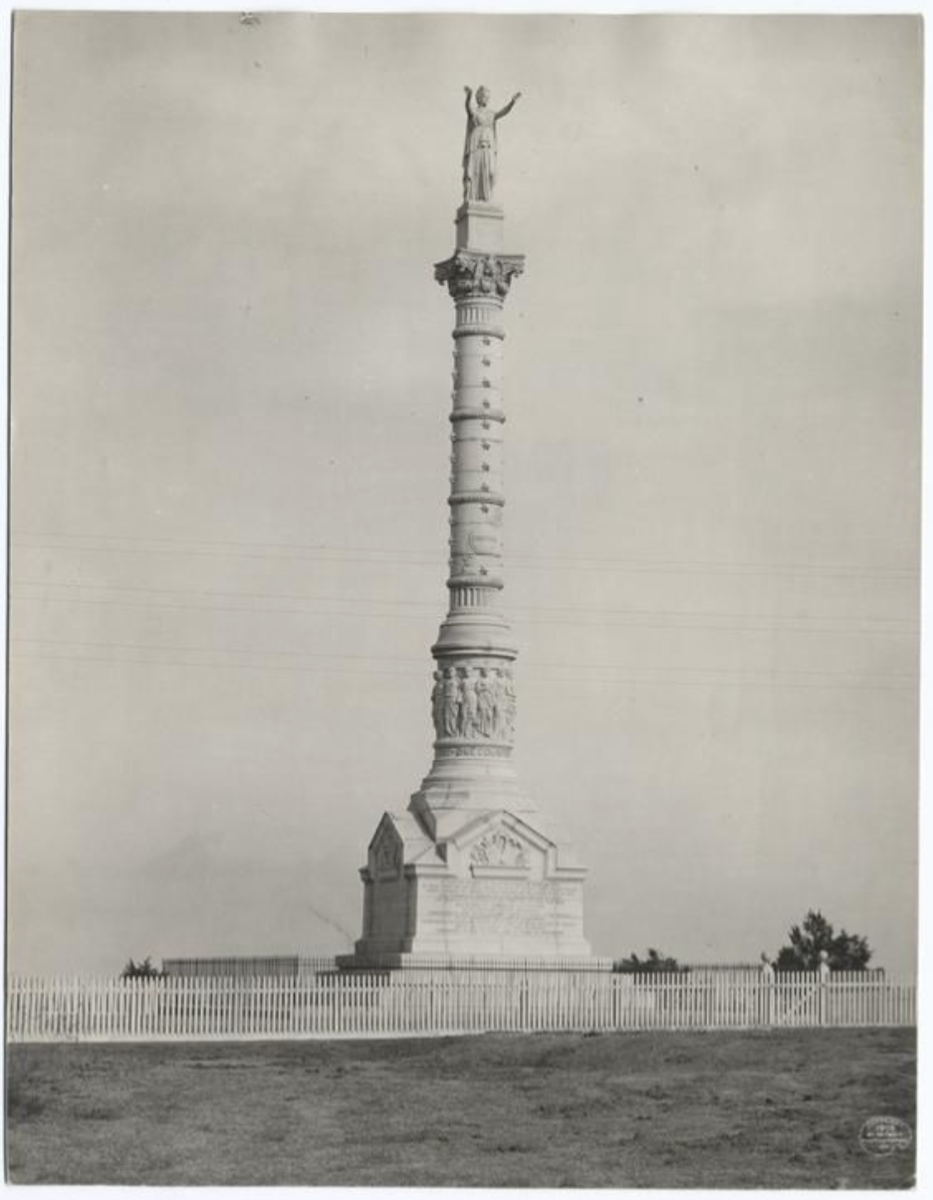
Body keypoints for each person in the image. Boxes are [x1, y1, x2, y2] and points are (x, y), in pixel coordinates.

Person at [462, 86, 522, 204]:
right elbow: (468, 108)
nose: (485, 99)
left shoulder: (491, 113)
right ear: (478, 97)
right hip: (476, 145)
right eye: (483, 96)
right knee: (474, 171)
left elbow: (503, 112)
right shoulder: (475, 111)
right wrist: (468, 96)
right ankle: (472, 197)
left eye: (487, 97)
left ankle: (486, 197)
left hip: (488, 146)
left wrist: (512, 102)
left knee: (489, 172)